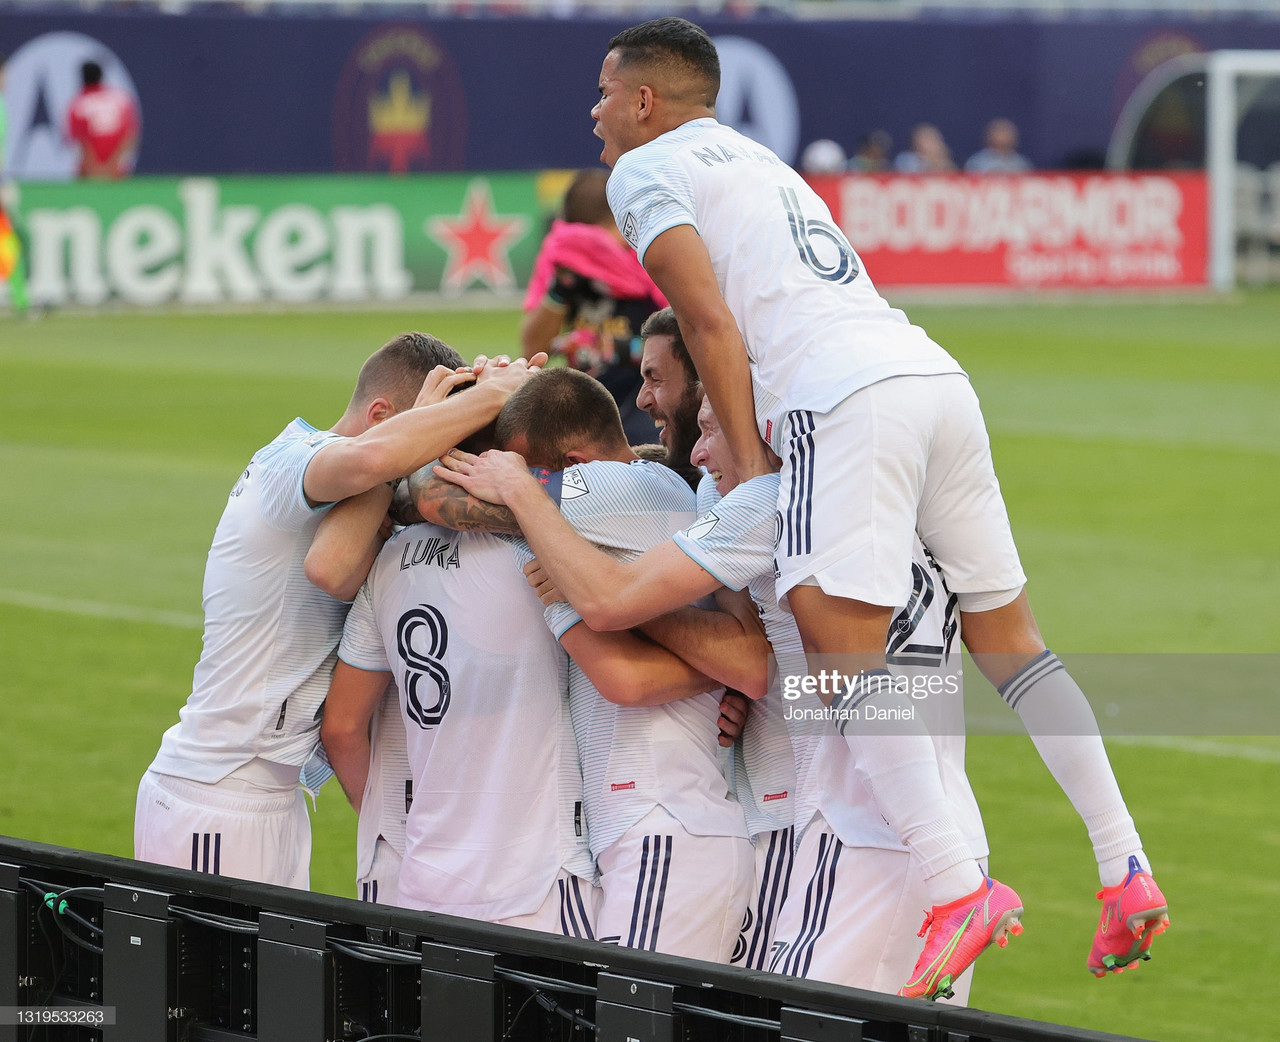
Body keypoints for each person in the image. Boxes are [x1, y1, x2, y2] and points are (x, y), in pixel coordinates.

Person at [587, 17, 1168, 997]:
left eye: (603, 94)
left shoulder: (646, 169)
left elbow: (709, 324)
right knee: (1011, 639)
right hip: (930, 373)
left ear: (645, 100)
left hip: (838, 396)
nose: (594, 113)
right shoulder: (760, 163)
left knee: (830, 646)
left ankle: (958, 889)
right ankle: (1121, 864)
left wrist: (759, 462)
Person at [439, 395, 985, 999]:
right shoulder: (901, 507)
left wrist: (527, 504)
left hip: (858, 833)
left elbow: (614, 606)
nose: (696, 456)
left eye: (708, 428)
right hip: (932, 825)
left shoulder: (773, 501)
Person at [133, 333, 542, 889]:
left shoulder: (350, 495)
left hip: (268, 793)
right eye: (423, 431)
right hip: (219, 789)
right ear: (383, 414)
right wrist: (491, 397)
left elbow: (349, 557)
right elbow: (349, 523)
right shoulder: (288, 461)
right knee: (210, 979)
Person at [418, 367, 755, 962]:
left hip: (664, 823)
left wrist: (441, 430)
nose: (509, 479)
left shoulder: (627, 489)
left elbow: (429, 492)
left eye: (523, 468)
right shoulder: (598, 534)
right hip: (652, 828)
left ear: (573, 465)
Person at [316, 489, 599, 932]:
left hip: (424, 875)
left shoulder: (390, 558)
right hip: (535, 879)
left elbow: (340, 728)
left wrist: (395, 822)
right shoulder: (542, 553)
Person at [521, 168, 665, 445]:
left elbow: (684, 339)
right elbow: (533, 350)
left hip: (647, 407)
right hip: (585, 408)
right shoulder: (565, 267)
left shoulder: (649, 261)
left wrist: (622, 349)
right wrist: (560, 289)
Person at [65, 60, 139, 179]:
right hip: (116, 169)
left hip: (91, 171)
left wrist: (95, 170)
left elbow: (82, 142)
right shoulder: (120, 100)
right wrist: (113, 165)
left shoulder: (78, 104)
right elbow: (129, 135)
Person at [965, 118, 1032, 174]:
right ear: (989, 136)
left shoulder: (1021, 163)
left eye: (1007, 132)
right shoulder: (977, 162)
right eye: (1000, 132)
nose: (1003, 137)